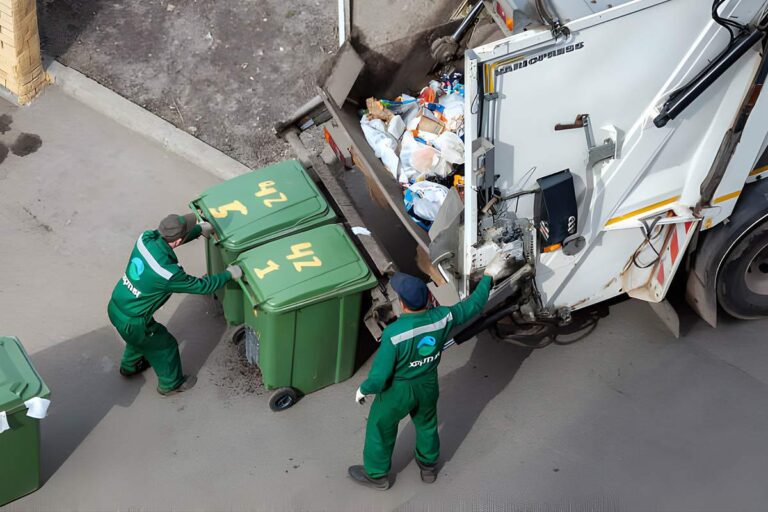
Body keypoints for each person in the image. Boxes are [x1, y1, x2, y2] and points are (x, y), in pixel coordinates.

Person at [348, 253, 513, 490]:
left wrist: (364, 389)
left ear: (402, 304)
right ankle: (428, 468)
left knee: (380, 428)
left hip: (398, 391)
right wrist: (488, 276)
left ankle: (377, 475)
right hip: (427, 385)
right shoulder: (443, 317)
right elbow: (474, 305)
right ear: (428, 299)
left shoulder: (393, 334)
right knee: (426, 424)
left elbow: (379, 376)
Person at [107, 213, 242, 396]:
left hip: (118, 304)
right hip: (134, 321)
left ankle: (130, 366)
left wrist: (198, 230)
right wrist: (229, 274)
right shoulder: (168, 274)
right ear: (177, 241)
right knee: (165, 346)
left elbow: (168, 240)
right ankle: (170, 385)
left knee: (139, 339)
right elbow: (202, 286)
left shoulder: (145, 238)